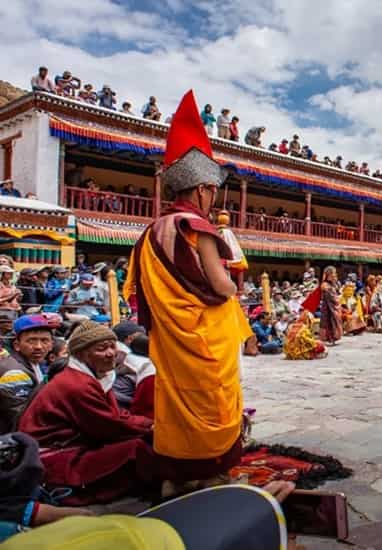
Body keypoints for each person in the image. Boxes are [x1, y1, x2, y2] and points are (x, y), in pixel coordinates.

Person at [123, 91, 251, 495]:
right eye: (212, 190)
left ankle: (174, 476)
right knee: (211, 402)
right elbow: (220, 284)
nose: (214, 198)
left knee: (177, 406)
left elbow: (135, 288)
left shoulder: (150, 233)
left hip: (170, 337)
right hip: (204, 338)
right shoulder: (196, 228)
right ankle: (208, 473)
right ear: (199, 190)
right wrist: (233, 284)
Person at [18, 321, 154, 504]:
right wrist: (151, 426)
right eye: (101, 349)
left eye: (112, 347)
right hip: (55, 457)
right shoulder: (77, 384)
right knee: (136, 448)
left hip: (69, 445)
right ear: (82, 354)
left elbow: (114, 415)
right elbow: (109, 424)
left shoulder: (92, 377)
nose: (110, 353)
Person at [0, 315, 59, 433]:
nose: (38, 346)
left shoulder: (37, 364)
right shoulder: (14, 373)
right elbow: (22, 417)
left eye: (44, 340)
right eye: (31, 340)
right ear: (17, 345)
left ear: (52, 344)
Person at [317, 266, 343, 345]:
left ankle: (334, 338)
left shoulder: (333, 284)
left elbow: (336, 293)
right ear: (329, 275)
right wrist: (337, 298)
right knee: (328, 322)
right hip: (327, 307)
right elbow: (331, 296)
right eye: (333, 274)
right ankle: (328, 338)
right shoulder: (325, 285)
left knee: (334, 321)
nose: (335, 276)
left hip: (333, 306)